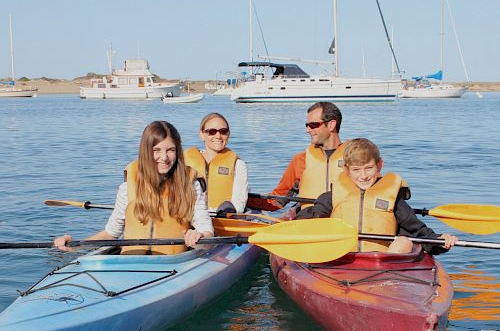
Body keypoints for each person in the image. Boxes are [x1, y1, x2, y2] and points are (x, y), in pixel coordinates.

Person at [54, 120, 214, 255]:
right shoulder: (127, 187)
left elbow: (207, 231)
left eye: (170, 150)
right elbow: (110, 234)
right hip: (132, 265)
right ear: (146, 152)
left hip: (172, 266)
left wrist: (199, 236)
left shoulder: (191, 186)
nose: (164, 157)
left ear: (177, 152)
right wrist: (75, 245)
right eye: (156, 150)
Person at [296, 138, 457, 254]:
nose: (364, 175)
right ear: (346, 170)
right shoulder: (333, 196)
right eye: (356, 170)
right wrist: (294, 225)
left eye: (369, 168)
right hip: (341, 260)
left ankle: (387, 284)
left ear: (380, 165)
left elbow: (416, 229)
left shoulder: (393, 199)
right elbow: (313, 214)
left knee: (404, 242)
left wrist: (441, 241)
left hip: (379, 266)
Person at [246, 101, 347, 213]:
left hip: (344, 224)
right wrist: (243, 199)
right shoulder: (300, 160)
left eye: (313, 125)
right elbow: (277, 201)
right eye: (307, 125)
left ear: (331, 125)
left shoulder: (356, 159)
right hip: (309, 223)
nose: (308, 130)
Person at [184, 112, 248, 215]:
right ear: (201, 134)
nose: (218, 136)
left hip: (222, 217)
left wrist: (227, 211)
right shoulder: (184, 162)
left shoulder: (238, 165)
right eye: (212, 132)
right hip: (190, 217)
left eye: (223, 131)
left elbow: (239, 202)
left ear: (228, 134)